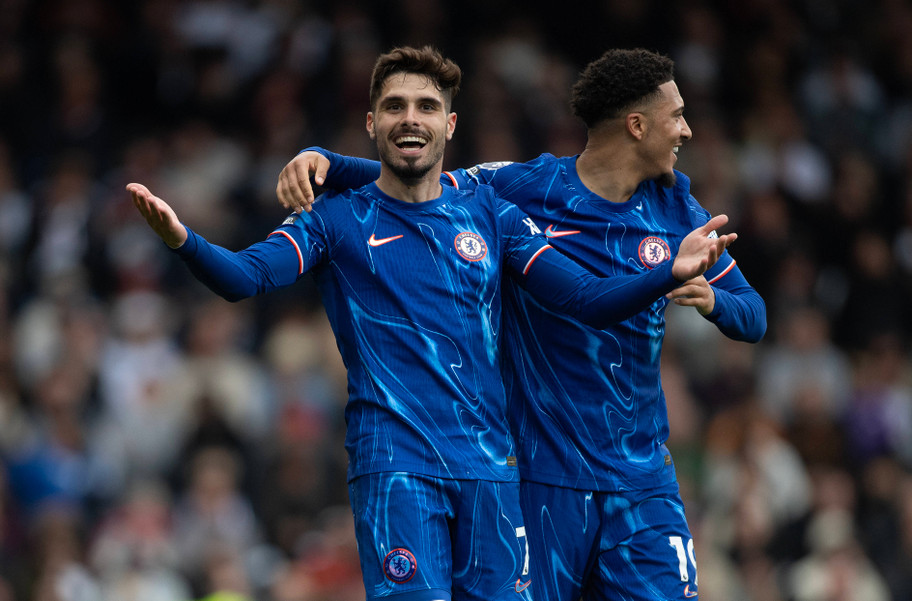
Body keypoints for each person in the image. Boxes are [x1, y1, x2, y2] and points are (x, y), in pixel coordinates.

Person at [127, 46, 735, 601]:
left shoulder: (490, 214)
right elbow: (244, 277)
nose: (409, 117)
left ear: (449, 124)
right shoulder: (333, 221)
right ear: (372, 124)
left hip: (493, 472)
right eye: (393, 106)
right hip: (397, 467)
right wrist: (182, 240)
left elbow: (584, 299)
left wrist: (666, 274)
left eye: (426, 106)